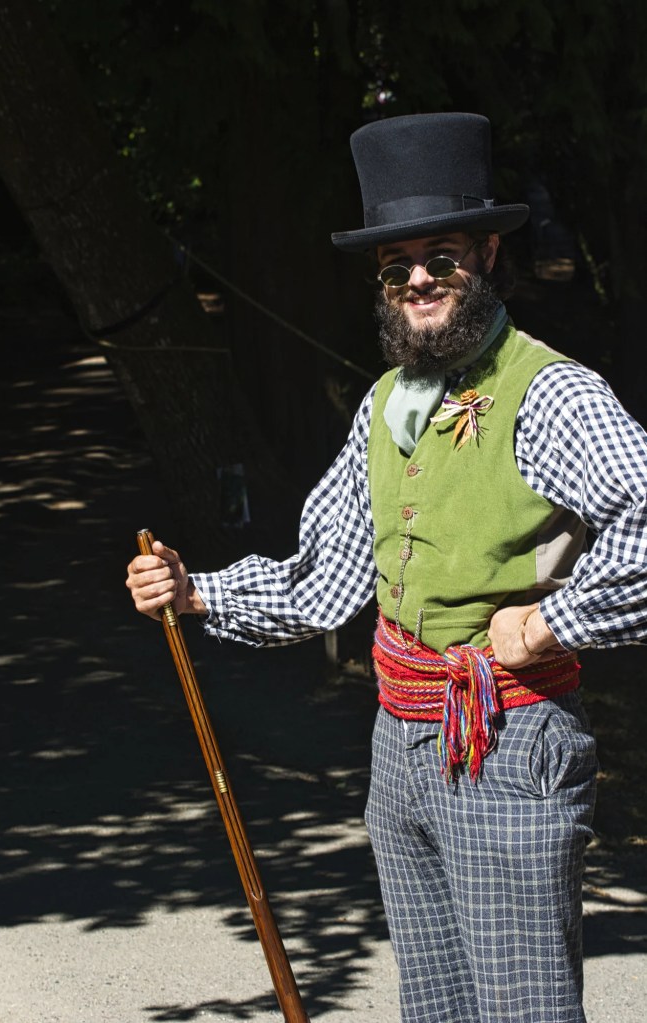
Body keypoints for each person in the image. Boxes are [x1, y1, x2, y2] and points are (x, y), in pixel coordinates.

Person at [126, 113, 647, 1023]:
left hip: (507, 740)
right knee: (434, 1009)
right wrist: (198, 591)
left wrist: (558, 622)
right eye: (395, 265)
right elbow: (325, 573)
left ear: (487, 254)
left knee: (520, 1012)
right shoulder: (388, 404)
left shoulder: (549, 393)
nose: (417, 281)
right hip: (397, 744)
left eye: (440, 257)